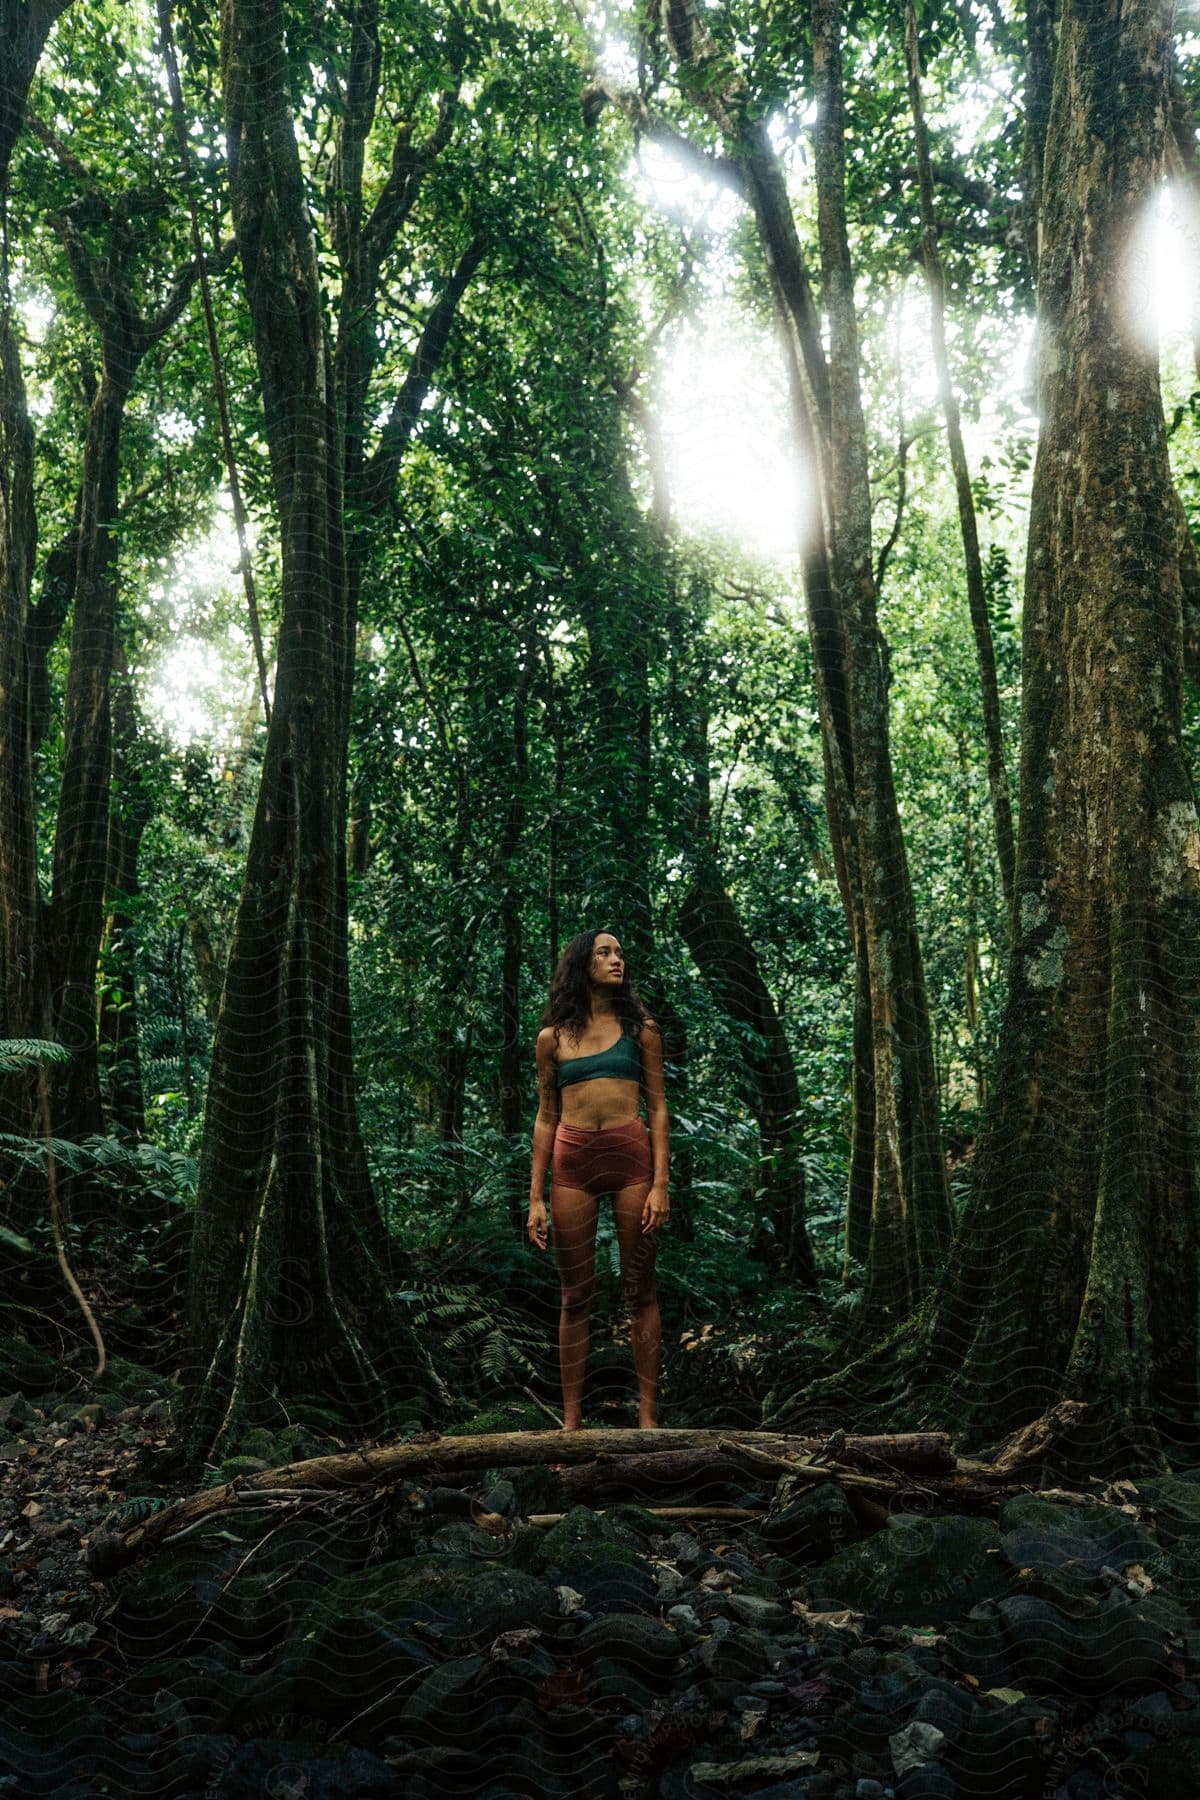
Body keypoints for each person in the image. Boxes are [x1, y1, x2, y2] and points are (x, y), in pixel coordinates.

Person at [527, 928, 670, 1430]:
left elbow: (657, 1106)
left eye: (620, 951)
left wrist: (660, 1184)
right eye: (605, 952)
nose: (617, 959)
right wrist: (536, 1198)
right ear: (581, 964)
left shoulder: (642, 1030)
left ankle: (648, 1418)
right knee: (575, 1295)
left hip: (631, 1160)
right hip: (572, 1165)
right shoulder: (552, 1038)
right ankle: (570, 1424)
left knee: (641, 1291)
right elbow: (545, 1116)